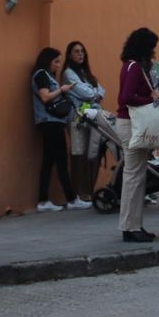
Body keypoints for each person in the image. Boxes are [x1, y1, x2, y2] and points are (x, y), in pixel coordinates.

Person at [114, 28, 159, 242]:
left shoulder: (129, 66)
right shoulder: (134, 68)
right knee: (134, 176)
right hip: (131, 123)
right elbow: (125, 98)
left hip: (128, 123)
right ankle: (131, 227)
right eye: (152, 47)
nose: (153, 52)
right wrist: (151, 100)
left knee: (134, 175)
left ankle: (132, 225)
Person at [30, 47, 83, 212]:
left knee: (51, 161)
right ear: (47, 60)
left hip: (51, 122)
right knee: (59, 160)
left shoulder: (45, 75)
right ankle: (70, 199)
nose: (58, 65)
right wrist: (62, 89)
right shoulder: (41, 75)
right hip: (49, 122)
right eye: (56, 61)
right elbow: (45, 97)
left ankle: (45, 200)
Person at [62, 41, 105, 204]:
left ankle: (89, 191)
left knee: (93, 155)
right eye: (76, 51)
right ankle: (80, 194)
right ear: (70, 55)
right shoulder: (68, 73)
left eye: (82, 51)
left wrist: (93, 93)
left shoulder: (86, 73)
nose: (80, 54)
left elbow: (102, 90)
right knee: (79, 156)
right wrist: (95, 94)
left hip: (93, 118)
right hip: (77, 120)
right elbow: (84, 93)